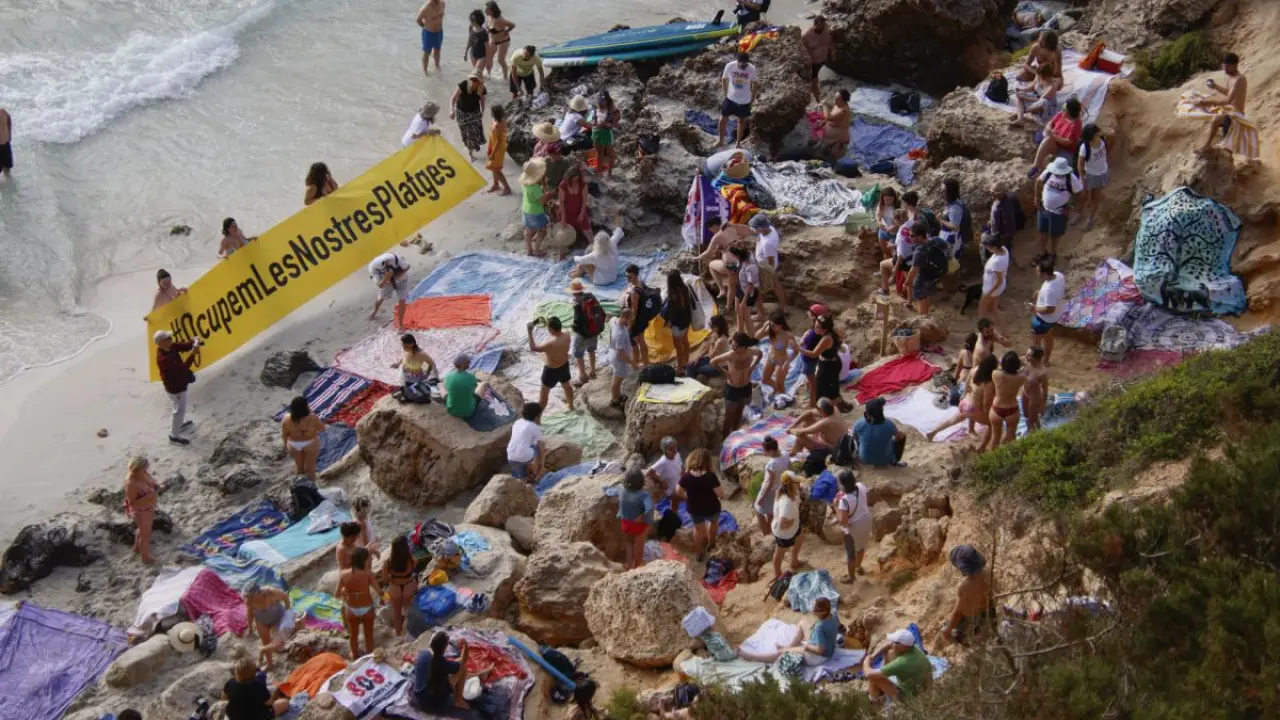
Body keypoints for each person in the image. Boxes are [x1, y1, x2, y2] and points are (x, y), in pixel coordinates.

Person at [928, 353, 996, 445]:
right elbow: (986, 402)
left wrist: (963, 395)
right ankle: (982, 448)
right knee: (992, 425)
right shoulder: (988, 382)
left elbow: (966, 384)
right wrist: (987, 411)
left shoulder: (974, 370)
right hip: (973, 408)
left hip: (964, 402)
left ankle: (933, 433)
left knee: (951, 421)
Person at [154, 330, 201, 446]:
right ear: (161, 343)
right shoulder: (163, 359)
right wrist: (193, 353)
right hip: (175, 387)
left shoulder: (170, 347)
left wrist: (193, 341)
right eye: (168, 338)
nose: (171, 339)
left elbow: (184, 346)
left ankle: (180, 424)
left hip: (176, 384)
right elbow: (182, 369)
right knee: (179, 410)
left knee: (177, 407)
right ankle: (174, 436)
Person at [713, 331, 763, 436]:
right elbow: (713, 362)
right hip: (732, 389)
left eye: (736, 346)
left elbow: (760, 354)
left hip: (746, 387)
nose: (733, 348)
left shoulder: (750, 352)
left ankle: (735, 434)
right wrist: (725, 372)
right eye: (733, 345)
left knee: (739, 412)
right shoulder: (731, 355)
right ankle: (725, 438)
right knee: (728, 417)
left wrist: (752, 367)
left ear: (744, 347)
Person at [677, 449, 724, 561]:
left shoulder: (686, 477)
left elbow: (678, 492)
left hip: (695, 508)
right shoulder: (711, 477)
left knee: (698, 530)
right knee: (713, 522)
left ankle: (699, 552)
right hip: (712, 507)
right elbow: (721, 494)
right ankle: (711, 543)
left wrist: (688, 497)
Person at [941, 544, 994, 643]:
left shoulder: (964, 587)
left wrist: (947, 631)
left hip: (977, 622)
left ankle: (968, 644)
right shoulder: (989, 571)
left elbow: (958, 614)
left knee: (946, 629)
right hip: (991, 613)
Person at [693, 218, 752, 306]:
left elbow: (708, 252)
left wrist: (697, 258)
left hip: (731, 264)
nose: (712, 231)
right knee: (735, 283)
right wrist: (738, 239)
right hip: (741, 260)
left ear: (714, 226)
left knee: (711, 265)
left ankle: (722, 289)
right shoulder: (732, 227)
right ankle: (733, 301)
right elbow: (748, 231)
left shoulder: (717, 237)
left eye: (711, 229)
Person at [863, 628, 932, 702]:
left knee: (873, 677)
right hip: (922, 687)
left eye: (894, 642)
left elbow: (868, 674)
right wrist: (873, 656)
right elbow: (889, 645)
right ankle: (882, 681)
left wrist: (866, 661)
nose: (891, 643)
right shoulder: (913, 647)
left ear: (902, 647)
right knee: (889, 652)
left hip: (911, 698)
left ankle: (874, 700)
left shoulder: (902, 662)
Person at [1199, 52, 1249, 152]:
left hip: (1236, 115)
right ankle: (1208, 146)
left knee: (1217, 121)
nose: (1225, 69)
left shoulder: (1239, 79)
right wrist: (1215, 86)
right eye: (1224, 66)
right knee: (1214, 120)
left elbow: (1228, 100)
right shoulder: (1231, 77)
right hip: (1229, 112)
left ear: (1235, 65)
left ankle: (1208, 146)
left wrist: (1208, 102)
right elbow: (1228, 93)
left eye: (1228, 67)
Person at [1035, 157, 1083, 260]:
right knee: (1042, 232)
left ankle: (1052, 254)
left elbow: (1079, 193)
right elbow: (1038, 181)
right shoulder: (1048, 173)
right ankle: (1042, 253)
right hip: (1044, 209)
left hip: (1059, 212)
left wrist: (1070, 206)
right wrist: (1037, 197)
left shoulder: (1071, 179)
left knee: (1055, 235)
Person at [337, 546, 381, 659]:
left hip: (351, 609)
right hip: (367, 608)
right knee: (368, 635)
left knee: (353, 635)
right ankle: (370, 655)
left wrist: (345, 591)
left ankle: (354, 654)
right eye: (368, 558)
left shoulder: (343, 574)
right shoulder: (368, 574)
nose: (370, 560)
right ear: (364, 560)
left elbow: (337, 594)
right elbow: (379, 591)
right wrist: (385, 597)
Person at [412, 631, 472, 712]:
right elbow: (462, 663)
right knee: (463, 668)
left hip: (419, 696)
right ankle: (458, 700)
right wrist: (466, 646)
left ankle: (482, 674)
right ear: (445, 647)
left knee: (454, 666)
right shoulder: (442, 663)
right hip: (431, 704)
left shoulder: (423, 654)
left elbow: (453, 663)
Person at [1027, 97, 1083, 180]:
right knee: (1047, 140)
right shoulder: (1061, 114)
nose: (1062, 110)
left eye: (1064, 109)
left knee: (1065, 171)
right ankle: (1036, 166)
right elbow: (1050, 123)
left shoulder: (1076, 125)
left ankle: (1040, 167)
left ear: (1069, 112)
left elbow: (1067, 142)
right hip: (1055, 144)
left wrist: (1053, 135)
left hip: (1067, 150)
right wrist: (1049, 130)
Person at [244, 584, 295, 670]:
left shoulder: (271, 592)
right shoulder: (249, 601)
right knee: (265, 641)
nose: (247, 597)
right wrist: (250, 628)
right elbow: (250, 614)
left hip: (278, 617)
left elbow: (286, 598)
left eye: (249, 595)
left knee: (279, 645)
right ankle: (269, 663)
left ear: (257, 593)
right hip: (262, 620)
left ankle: (280, 641)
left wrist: (287, 615)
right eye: (247, 595)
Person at [833, 469, 871, 584]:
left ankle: (851, 577)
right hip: (866, 519)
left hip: (855, 526)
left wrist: (836, 506)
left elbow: (843, 521)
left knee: (851, 552)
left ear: (843, 484)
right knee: (861, 547)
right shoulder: (861, 486)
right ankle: (859, 567)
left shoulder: (844, 501)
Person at [799, 315, 846, 408]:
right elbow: (843, 336)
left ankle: (829, 406)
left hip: (829, 366)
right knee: (827, 386)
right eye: (815, 326)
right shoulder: (831, 332)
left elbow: (814, 354)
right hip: (830, 362)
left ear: (825, 329)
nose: (815, 329)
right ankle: (833, 402)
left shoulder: (826, 339)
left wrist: (799, 348)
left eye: (818, 327)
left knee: (822, 387)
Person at [528, 316, 574, 408]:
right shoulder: (567, 333)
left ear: (551, 329)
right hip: (564, 365)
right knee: (567, 387)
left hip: (552, 371)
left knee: (544, 394)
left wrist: (529, 331)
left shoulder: (551, 343)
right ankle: (571, 406)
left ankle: (539, 414)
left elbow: (533, 348)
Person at [779, 597, 839, 666]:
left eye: (814, 609)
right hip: (829, 650)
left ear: (823, 612)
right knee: (803, 623)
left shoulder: (820, 627)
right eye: (812, 606)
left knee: (785, 652)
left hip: (818, 657)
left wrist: (806, 647)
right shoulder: (833, 615)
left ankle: (785, 649)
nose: (812, 610)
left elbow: (820, 650)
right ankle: (789, 647)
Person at [224, 658, 290, 719]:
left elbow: (224, 697)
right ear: (254, 676)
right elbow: (269, 703)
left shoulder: (231, 682)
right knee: (285, 703)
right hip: (255, 717)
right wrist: (275, 695)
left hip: (233, 716)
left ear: (236, 673)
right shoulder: (258, 686)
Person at [566, 280, 604, 385]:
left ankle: (583, 376)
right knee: (591, 350)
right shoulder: (591, 297)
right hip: (595, 330)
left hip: (584, 334)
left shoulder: (578, 303)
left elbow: (578, 321)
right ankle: (593, 371)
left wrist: (574, 327)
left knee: (578, 353)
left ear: (574, 292)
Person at [718, 52, 759, 148]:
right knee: (722, 120)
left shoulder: (751, 68)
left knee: (741, 122)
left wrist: (752, 98)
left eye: (746, 65)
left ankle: (738, 144)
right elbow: (724, 79)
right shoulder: (730, 66)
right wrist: (725, 94)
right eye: (742, 65)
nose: (744, 67)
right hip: (730, 99)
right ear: (738, 61)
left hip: (745, 101)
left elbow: (755, 83)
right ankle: (720, 141)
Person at [1029, 258, 1066, 364]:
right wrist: (1040, 292)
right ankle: (1046, 361)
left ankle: (1035, 363)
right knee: (1048, 338)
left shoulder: (1049, 291)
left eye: (1038, 271)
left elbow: (1049, 309)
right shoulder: (1058, 275)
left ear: (1045, 274)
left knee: (1036, 343)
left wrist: (1034, 308)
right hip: (1055, 316)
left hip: (1044, 319)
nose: (1036, 273)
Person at [905, 222, 946, 315]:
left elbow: (913, 270)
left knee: (921, 297)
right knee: (926, 296)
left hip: (923, 279)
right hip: (935, 275)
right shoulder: (935, 240)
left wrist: (907, 282)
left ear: (920, 236)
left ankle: (924, 318)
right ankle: (926, 315)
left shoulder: (919, 251)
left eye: (912, 235)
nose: (910, 237)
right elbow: (947, 247)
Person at [989, 350, 1027, 450]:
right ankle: (1007, 455)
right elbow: (1024, 368)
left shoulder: (996, 374)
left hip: (997, 407)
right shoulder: (1021, 377)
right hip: (1012, 408)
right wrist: (1020, 362)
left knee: (995, 437)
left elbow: (999, 364)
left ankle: (992, 457)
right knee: (1011, 437)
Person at [852, 397, 907, 467]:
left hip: (864, 459)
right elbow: (899, 437)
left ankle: (861, 454)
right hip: (885, 459)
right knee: (902, 436)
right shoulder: (889, 424)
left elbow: (854, 437)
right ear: (882, 410)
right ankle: (894, 461)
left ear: (867, 412)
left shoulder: (859, 423)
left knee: (859, 438)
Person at [124, 456, 159, 564]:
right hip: (141, 511)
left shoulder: (143, 474)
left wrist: (156, 486)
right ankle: (145, 558)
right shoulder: (131, 483)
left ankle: (136, 548)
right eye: (143, 469)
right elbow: (132, 502)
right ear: (136, 469)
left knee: (142, 530)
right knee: (145, 535)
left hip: (149, 508)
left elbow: (152, 482)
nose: (146, 471)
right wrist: (149, 496)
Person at [753, 436, 790, 536]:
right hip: (779, 488)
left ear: (771, 450)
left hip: (769, 491)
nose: (765, 453)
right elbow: (789, 469)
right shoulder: (785, 454)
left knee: (758, 510)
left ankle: (766, 533)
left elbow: (770, 482)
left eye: (766, 451)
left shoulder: (772, 463)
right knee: (771, 513)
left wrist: (762, 497)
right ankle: (769, 531)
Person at [281, 396, 325, 481]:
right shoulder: (312, 418)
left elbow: (284, 435)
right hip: (310, 444)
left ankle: (300, 482)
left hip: (293, 445)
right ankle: (311, 485)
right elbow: (322, 429)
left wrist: (286, 446)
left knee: (299, 467)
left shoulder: (286, 419)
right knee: (310, 468)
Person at [618, 469, 655, 570]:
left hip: (626, 523)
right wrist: (642, 516)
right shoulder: (643, 495)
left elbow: (611, 491)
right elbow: (649, 507)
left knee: (629, 542)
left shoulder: (621, 490)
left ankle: (629, 565)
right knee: (639, 545)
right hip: (638, 525)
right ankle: (637, 566)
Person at [382, 535, 418, 637]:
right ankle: (409, 632)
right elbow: (414, 568)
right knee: (408, 610)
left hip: (395, 588)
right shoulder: (411, 559)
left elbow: (385, 579)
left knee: (396, 612)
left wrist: (393, 579)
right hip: (409, 587)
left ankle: (398, 633)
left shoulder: (388, 562)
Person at [662, 270, 697, 373]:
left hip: (678, 324)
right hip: (686, 320)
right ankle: (686, 362)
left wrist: (668, 322)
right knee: (685, 341)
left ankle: (680, 368)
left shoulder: (672, 294)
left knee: (678, 346)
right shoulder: (685, 288)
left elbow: (672, 312)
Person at [750, 214, 787, 313]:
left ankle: (761, 311)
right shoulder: (770, 229)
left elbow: (770, 259)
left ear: (761, 228)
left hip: (766, 266)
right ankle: (782, 306)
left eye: (755, 228)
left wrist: (769, 273)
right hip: (764, 263)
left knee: (760, 288)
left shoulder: (768, 243)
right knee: (774, 286)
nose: (753, 230)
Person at [770, 471, 804, 577]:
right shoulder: (786, 502)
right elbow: (782, 525)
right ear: (790, 484)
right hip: (784, 533)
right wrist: (791, 522)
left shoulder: (789, 492)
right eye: (797, 482)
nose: (799, 484)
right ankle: (778, 574)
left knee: (800, 537)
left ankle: (794, 561)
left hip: (794, 526)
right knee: (780, 552)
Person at [1075, 123, 1109, 229]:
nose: (1100, 132)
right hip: (1089, 174)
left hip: (1101, 173)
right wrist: (1083, 178)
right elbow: (1080, 165)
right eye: (1097, 132)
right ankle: (1078, 214)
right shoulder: (1085, 148)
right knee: (1083, 195)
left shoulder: (1102, 140)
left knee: (1095, 197)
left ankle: (1089, 220)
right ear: (1092, 136)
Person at [623, 264, 657, 367]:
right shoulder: (641, 284)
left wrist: (630, 324)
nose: (627, 279)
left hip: (635, 320)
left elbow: (634, 309)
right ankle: (643, 362)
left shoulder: (634, 292)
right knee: (640, 341)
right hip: (642, 318)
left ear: (635, 275)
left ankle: (639, 363)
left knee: (636, 342)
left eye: (629, 277)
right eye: (626, 276)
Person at [757, 312, 798, 397]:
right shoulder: (770, 331)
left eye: (774, 325)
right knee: (765, 379)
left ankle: (783, 396)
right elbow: (757, 337)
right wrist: (764, 326)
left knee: (780, 384)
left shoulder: (788, 335)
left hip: (781, 362)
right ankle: (776, 390)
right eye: (771, 325)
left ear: (780, 325)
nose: (772, 327)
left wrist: (788, 362)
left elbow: (796, 351)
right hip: (771, 359)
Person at [450, 71, 488, 160]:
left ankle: (470, 154)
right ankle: (468, 149)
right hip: (461, 113)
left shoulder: (482, 88)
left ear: (480, 81)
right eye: (472, 79)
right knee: (465, 133)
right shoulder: (463, 85)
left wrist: (483, 111)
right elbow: (453, 98)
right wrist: (451, 110)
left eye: (475, 80)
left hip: (474, 113)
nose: (473, 81)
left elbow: (482, 100)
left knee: (473, 134)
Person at [368, 252, 410, 329]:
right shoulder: (373, 269)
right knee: (381, 297)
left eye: (387, 263)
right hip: (387, 282)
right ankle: (374, 311)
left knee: (402, 299)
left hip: (402, 279)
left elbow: (407, 267)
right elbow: (380, 285)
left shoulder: (393, 257)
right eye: (386, 267)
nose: (388, 265)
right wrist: (387, 277)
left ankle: (401, 325)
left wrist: (396, 277)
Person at [506, 402, 545, 480]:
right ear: (536, 417)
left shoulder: (517, 422)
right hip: (524, 457)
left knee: (521, 477)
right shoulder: (534, 427)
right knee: (539, 446)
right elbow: (541, 448)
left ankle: (523, 476)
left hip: (510, 457)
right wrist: (542, 465)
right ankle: (537, 473)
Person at [801, 16, 835, 103]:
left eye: (824, 24)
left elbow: (830, 41)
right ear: (815, 24)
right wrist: (806, 62)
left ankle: (817, 91)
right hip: (813, 62)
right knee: (814, 79)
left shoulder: (826, 29)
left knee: (818, 76)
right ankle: (817, 98)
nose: (823, 26)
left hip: (824, 58)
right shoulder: (806, 35)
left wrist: (833, 51)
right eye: (821, 25)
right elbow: (800, 48)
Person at [798, 304, 827, 407]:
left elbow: (810, 350)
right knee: (811, 379)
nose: (808, 313)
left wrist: (798, 347)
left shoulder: (814, 334)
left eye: (809, 312)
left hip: (808, 360)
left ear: (814, 316)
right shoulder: (821, 328)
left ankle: (812, 404)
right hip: (812, 359)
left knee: (813, 384)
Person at [444, 353, 488, 420]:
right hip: (468, 412)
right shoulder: (471, 377)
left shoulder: (448, 376)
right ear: (462, 365)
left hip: (451, 410)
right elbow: (474, 390)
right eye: (468, 362)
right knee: (484, 384)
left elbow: (447, 386)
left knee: (440, 385)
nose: (469, 363)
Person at [986, 181, 1020, 266]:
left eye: (994, 192)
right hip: (996, 232)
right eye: (990, 191)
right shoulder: (997, 200)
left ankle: (1007, 263)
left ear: (1001, 193)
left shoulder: (1005, 208)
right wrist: (991, 221)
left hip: (1002, 236)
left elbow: (1010, 226)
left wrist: (1002, 236)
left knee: (1005, 250)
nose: (991, 194)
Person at [686, 314, 730, 380]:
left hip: (719, 367)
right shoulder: (716, 334)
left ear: (718, 327)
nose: (710, 328)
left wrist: (712, 343)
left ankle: (692, 382)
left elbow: (711, 356)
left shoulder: (721, 341)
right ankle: (692, 381)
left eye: (712, 326)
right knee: (691, 364)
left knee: (693, 368)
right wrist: (698, 357)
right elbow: (707, 349)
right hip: (712, 361)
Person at [556, 164, 592, 246]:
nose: (575, 181)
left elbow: (584, 201)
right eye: (573, 179)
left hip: (579, 210)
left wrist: (581, 214)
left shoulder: (583, 184)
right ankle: (562, 252)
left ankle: (595, 250)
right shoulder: (563, 185)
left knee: (589, 232)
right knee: (563, 235)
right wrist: (563, 218)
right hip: (566, 212)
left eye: (577, 179)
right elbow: (561, 202)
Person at [519, 158, 548, 256]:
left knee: (528, 230)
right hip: (535, 211)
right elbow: (542, 201)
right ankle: (536, 250)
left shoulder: (524, 183)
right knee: (542, 231)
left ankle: (529, 250)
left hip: (525, 209)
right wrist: (546, 194)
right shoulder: (535, 188)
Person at [608, 309, 634, 409]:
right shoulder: (620, 334)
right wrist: (631, 362)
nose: (630, 322)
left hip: (613, 354)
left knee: (618, 378)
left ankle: (618, 395)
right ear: (624, 318)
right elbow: (621, 352)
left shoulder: (614, 320)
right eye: (630, 320)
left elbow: (611, 319)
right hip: (619, 359)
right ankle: (615, 400)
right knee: (617, 380)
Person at [731, 246, 762, 333]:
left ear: (738, 255)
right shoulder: (743, 258)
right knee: (738, 311)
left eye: (734, 255)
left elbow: (751, 285)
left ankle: (752, 336)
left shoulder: (750, 267)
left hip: (748, 293)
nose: (733, 257)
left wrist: (744, 300)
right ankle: (740, 331)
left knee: (746, 317)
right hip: (741, 288)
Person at [484, 104, 512, 195]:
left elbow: (498, 141)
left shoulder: (497, 125)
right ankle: (496, 184)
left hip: (497, 148)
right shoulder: (502, 121)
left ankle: (507, 188)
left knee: (496, 169)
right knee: (494, 168)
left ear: (493, 114)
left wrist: (493, 154)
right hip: (496, 145)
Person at [979, 234, 1009, 318]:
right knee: (993, 310)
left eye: (988, 246)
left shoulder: (997, 262)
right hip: (997, 287)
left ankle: (982, 324)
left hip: (992, 288)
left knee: (982, 310)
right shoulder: (1004, 249)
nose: (986, 248)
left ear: (995, 247)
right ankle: (1000, 326)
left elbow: (999, 280)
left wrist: (989, 293)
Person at [485, 3, 516, 78]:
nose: (485, 11)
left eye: (487, 10)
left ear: (493, 11)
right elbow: (489, 28)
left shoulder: (500, 20)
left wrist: (507, 31)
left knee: (500, 60)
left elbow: (512, 25)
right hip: (493, 40)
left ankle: (505, 77)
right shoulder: (489, 17)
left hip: (503, 41)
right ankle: (488, 75)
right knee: (488, 59)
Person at [819, 89, 852, 160]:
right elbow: (833, 112)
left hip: (838, 138)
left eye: (837, 99)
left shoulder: (844, 111)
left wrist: (824, 105)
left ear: (844, 101)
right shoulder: (838, 104)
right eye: (835, 98)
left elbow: (829, 117)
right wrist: (824, 121)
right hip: (830, 133)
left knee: (834, 156)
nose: (834, 100)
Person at [592, 91, 619, 176]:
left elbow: (614, 125)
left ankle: (610, 172)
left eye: (603, 100)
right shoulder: (595, 109)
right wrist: (594, 123)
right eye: (600, 100)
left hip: (606, 133)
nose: (601, 102)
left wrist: (605, 124)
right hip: (596, 132)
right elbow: (593, 120)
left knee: (612, 154)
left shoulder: (612, 111)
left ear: (607, 100)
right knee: (599, 153)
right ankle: (599, 171)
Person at [1022, 346, 1049, 432]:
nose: (1026, 356)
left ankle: (1034, 435)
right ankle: (1040, 429)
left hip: (1034, 398)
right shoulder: (1026, 363)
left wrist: (1043, 404)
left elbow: (1045, 390)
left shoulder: (1042, 372)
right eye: (1026, 354)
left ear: (1036, 358)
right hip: (1025, 394)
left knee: (1031, 421)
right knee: (1027, 416)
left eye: (1028, 355)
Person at [416, 0, 445, 76]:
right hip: (429, 33)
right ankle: (425, 71)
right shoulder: (426, 7)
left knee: (437, 50)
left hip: (439, 32)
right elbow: (418, 19)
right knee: (427, 52)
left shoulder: (442, 4)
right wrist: (425, 27)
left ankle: (437, 66)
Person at [874, 187, 902, 258]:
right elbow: (878, 218)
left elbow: (902, 221)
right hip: (883, 231)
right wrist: (880, 224)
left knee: (894, 255)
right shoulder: (881, 206)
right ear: (883, 199)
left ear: (894, 198)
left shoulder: (899, 206)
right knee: (886, 252)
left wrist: (892, 227)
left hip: (895, 233)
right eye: (886, 200)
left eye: (890, 199)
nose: (888, 202)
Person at [0, 107, 12, 180]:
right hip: (5, 143)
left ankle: (9, 183)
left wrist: (9, 136)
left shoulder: (3, 112)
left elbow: (9, 120)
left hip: (5, 144)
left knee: (7, 170)